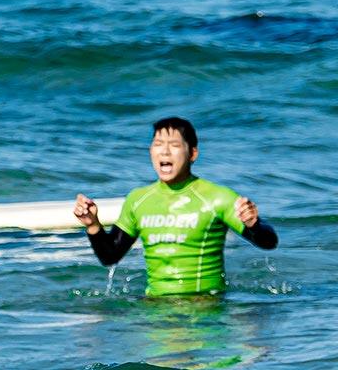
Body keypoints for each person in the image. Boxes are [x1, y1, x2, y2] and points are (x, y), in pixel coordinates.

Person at [73, 117, 277, 297]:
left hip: (205, 307)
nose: (165, 151)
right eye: (158, 144)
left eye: (174, 145)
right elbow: (110, 256)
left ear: (193, 153)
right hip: (154, 308)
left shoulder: (217, 197)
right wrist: (93, 226)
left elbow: (269, 242)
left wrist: (254, 224)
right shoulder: (138, 199)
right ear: (150, 151)